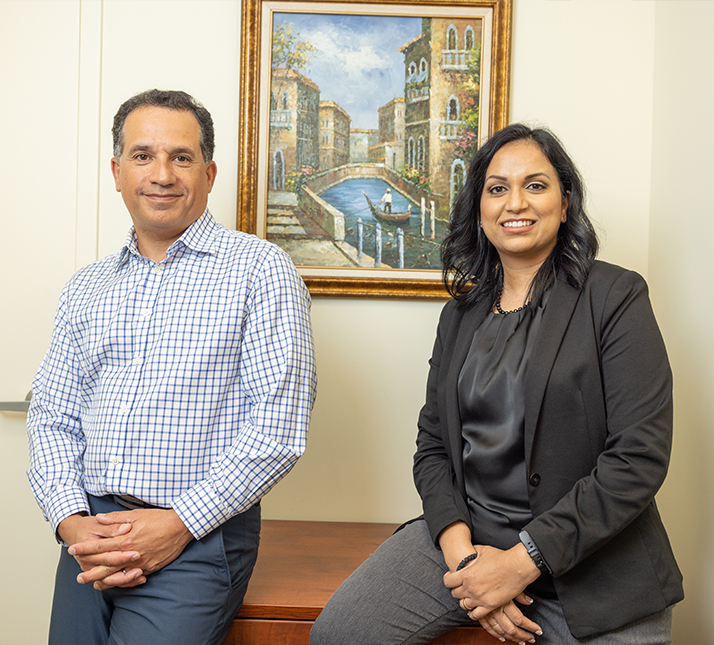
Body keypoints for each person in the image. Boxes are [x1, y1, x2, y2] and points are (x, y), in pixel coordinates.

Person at [311, 123, 683, 645]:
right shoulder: (460, 314)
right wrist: (466, 562)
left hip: (596, 562)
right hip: (469, 539)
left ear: (566, 199)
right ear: (479, 207)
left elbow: (638, 458)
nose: (516, 203)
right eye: (497, 188)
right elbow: (434, 446)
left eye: (536, 185)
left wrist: (519, 564)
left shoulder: (615, 296)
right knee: (339, 634)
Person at [27, 89, 317, 645]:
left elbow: (277, 430)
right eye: (142, 156)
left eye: (181, 157)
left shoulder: (261, 271)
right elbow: (51, 416)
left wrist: (177, 525)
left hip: (196, 539)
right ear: (117, 172)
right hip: (90, 533)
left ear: (208, 173)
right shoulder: (86, 287)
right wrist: (71, 521)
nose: (162, 174)